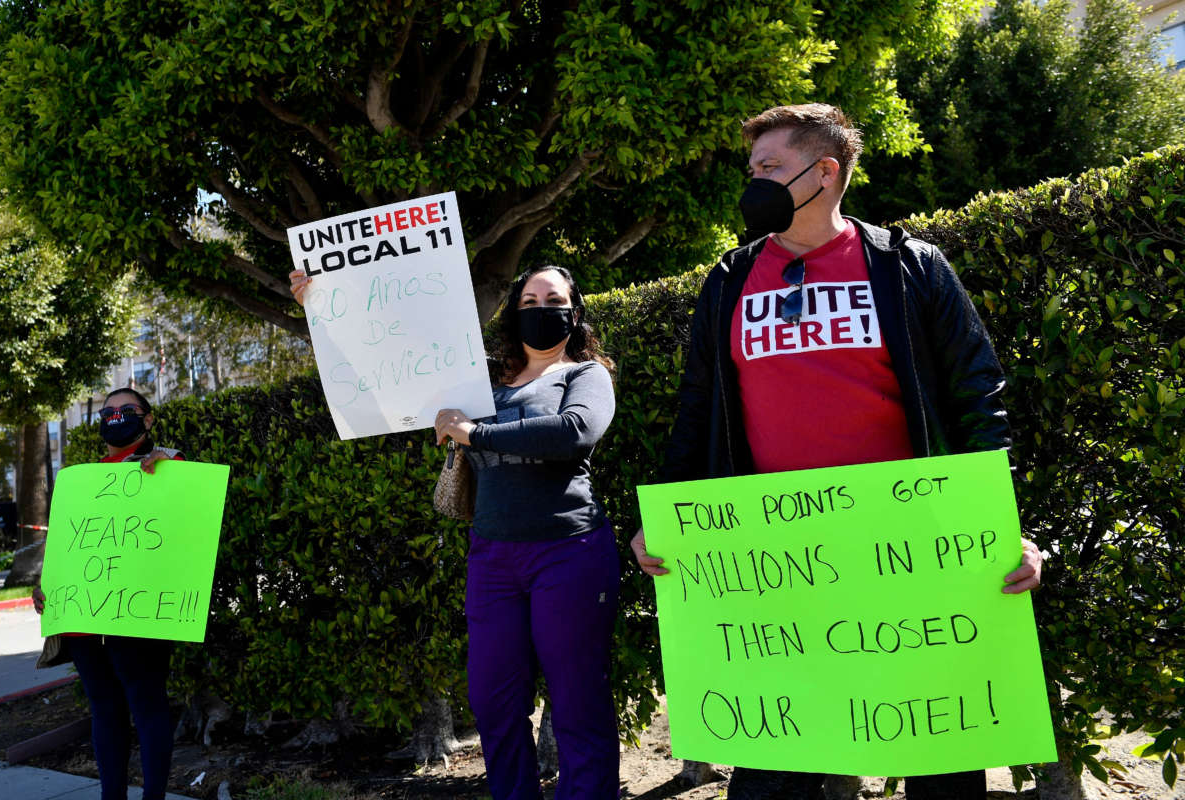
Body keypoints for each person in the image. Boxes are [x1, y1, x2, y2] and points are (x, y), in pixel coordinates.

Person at [629, 104, 1043, 800]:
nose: (753, 182)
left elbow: (978, 397)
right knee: (769, 778)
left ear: (825, 173)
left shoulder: (909, 267)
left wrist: (1006, 529)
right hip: (778, 571)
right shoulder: (728, 281)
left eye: (770, 167)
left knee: (942, 770)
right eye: (751, 169)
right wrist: (664, 519)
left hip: (913, 562)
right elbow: (697, 410)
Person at [289, 263, 621, 799]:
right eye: (530, 301)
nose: (542, 310)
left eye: (554, 299)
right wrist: (323, 312)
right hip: (493, 558)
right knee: (493, 701)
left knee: (579, 701)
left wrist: (476, 432)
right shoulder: (480, 381)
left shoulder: (585, 375)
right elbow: (389, 365)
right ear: (515, 314)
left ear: (575, 311)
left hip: (570, 552)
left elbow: (575, 431)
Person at [33, 387, 184, 800]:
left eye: (127, 410)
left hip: (138, 615)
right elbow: (66, 546)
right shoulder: (82, 480)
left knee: (146, 703)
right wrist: (47, 586)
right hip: (84, 620)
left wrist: (169, 460)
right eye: (108, 411)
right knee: (103, 708)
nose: (116, 417)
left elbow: (192, 511)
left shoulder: (169, 464)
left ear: (148, 420)